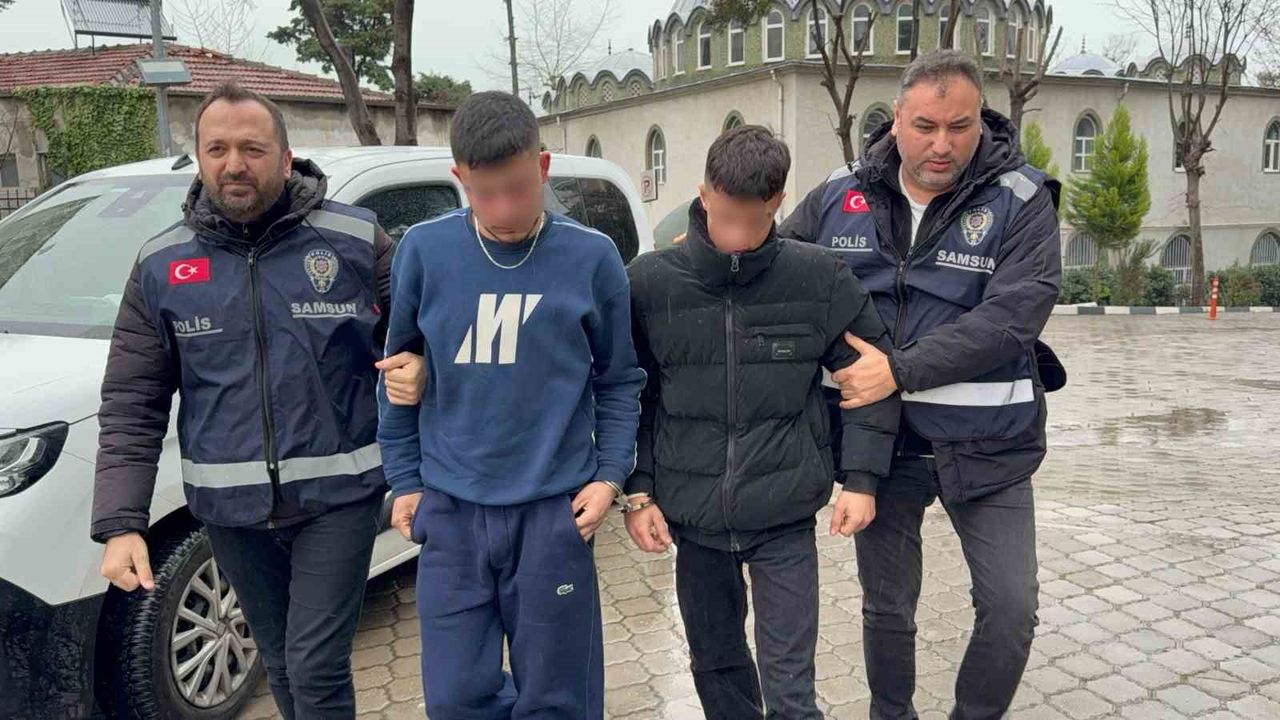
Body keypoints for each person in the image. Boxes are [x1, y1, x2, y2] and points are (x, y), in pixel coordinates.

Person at [92, 81, 426, 719]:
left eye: (252, 148)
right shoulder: (161, 264)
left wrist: (422, 367)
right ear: (199, 158)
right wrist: (121, 522)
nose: (234, 164)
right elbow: (133, 400)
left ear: (286, 156)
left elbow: (416, 337)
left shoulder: (355, 241)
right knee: (279, 661)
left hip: (339, 498)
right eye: (217, 149)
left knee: (315, 665)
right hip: (230, 512)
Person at [780, 50, 1064, 720]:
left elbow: (1011, 318)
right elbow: (780, 274)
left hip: (990, 444)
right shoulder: (838, 194)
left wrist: (897, 369)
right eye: (926, 126)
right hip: (881, 449)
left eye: (959, 127)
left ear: (981, 121)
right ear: (896, 121)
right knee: (887, 608)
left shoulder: (1022, 199)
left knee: (1011, 608)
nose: (942, 145)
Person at [377, 91, 645, 720]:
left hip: (552, 513)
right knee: (455, 699)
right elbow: (397, 370)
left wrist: (610, 477)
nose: (503, 209)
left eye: (519, 189)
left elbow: (619, 380)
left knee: (559, 700)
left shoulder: (592, 257)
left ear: (543, 167)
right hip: (452, 513)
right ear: (459, 178)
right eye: (484, 192)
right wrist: (405, 481)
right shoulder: (424, 251)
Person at [623, 126, 900, 720]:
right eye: (726, 218)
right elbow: (632, 397)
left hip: (784, 518)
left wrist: (862, 480)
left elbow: (871, 379)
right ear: (703, 194)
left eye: (756, 220)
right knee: (716, 670)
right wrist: (638, 491)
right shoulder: (648, 283)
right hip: (694, 519)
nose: (739, 237)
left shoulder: (819, 278)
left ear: (779, 202)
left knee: (791, 688)